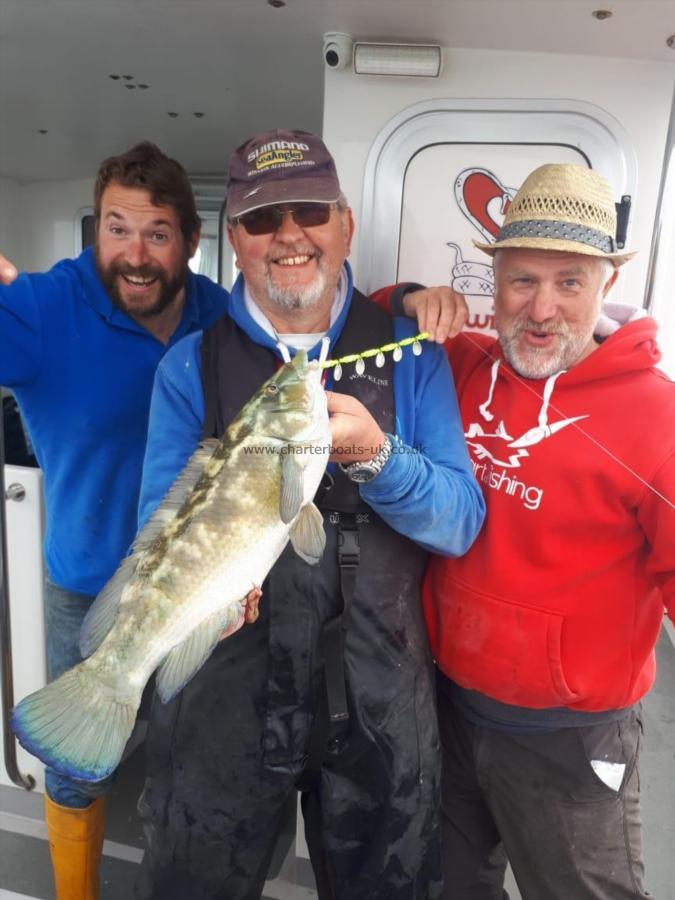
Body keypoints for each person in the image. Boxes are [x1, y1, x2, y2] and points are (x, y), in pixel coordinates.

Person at [133, 128, 486, 900]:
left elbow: (460, 519)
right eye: (262, 220)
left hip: (378, 688)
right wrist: (206, 603)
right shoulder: (189, 366)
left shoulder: (409, 351)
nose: (288, 235)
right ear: (236, 240)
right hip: (227, 687)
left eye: (309, 212)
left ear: (345, 223)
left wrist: (376, 457)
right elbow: (154, 535)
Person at [376, 163, 675, 899]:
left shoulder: (656, 416)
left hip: (571, 740)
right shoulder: (466, 360)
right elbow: (370, 311)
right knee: (450, 888)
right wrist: (415, 296)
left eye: (568, 282)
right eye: (521, 281)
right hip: (446, 706)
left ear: (604, 285)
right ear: (494, 285)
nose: (541, 309)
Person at [0, 141, 235, 899]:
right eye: (116, 228)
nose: (135, 254)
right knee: (76, 764)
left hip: (199, 586)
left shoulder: (214, 310)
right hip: (86, 584)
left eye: (156, 233)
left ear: (191, 243)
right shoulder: (40, 310)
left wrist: (400, 301)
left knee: (189, 751)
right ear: (93, 231)